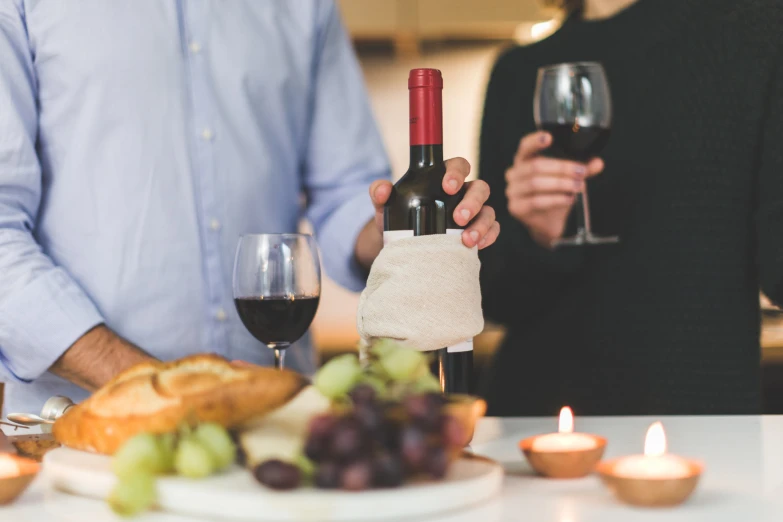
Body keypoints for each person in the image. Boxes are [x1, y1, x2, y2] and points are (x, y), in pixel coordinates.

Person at [0, 0, 499, 414]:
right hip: (83, 422)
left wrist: (410, 228)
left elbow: (347, 192)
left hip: (272, 422)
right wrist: (154, 389)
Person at [478, 0, 783, 416]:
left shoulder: (761, 31)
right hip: (536, 425)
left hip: (699, 424)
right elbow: (495, 299)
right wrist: (540, 237)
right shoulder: (517, 71)